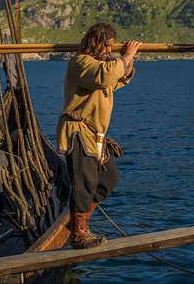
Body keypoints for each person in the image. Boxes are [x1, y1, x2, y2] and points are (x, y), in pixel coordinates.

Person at [55, 22, 141, 249]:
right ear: (95, 42)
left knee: (108, 178)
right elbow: (103, 77)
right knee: (84, 183)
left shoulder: (101, 67)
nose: (108, 51)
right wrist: (125, 57)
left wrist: (127, 59)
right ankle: (79, 235)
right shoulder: (82, 63)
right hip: (79, 131)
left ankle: (76, 224)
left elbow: (117, 80)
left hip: (95, 135)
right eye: (106, 46)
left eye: (111, 47)